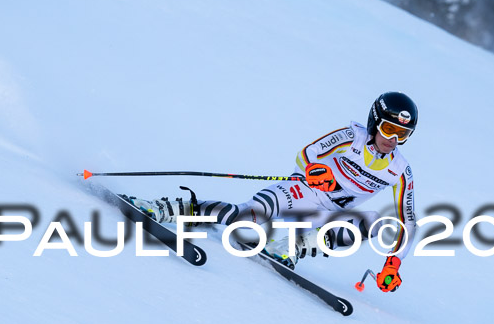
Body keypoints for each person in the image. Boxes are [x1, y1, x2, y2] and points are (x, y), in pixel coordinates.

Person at [126, 92, 418, 292]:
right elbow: (308, 153)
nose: (393, 140)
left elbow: (408, 219)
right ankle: (166, 208)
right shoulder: (352, 136)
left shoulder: (399, 170)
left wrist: (393, 262)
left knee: (374, 222)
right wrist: (318, 171)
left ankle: (290, 247)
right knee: (242, 218)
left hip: (330, 215)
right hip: (301, 192)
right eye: (389, 129)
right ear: (374, 122)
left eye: (402, 134)